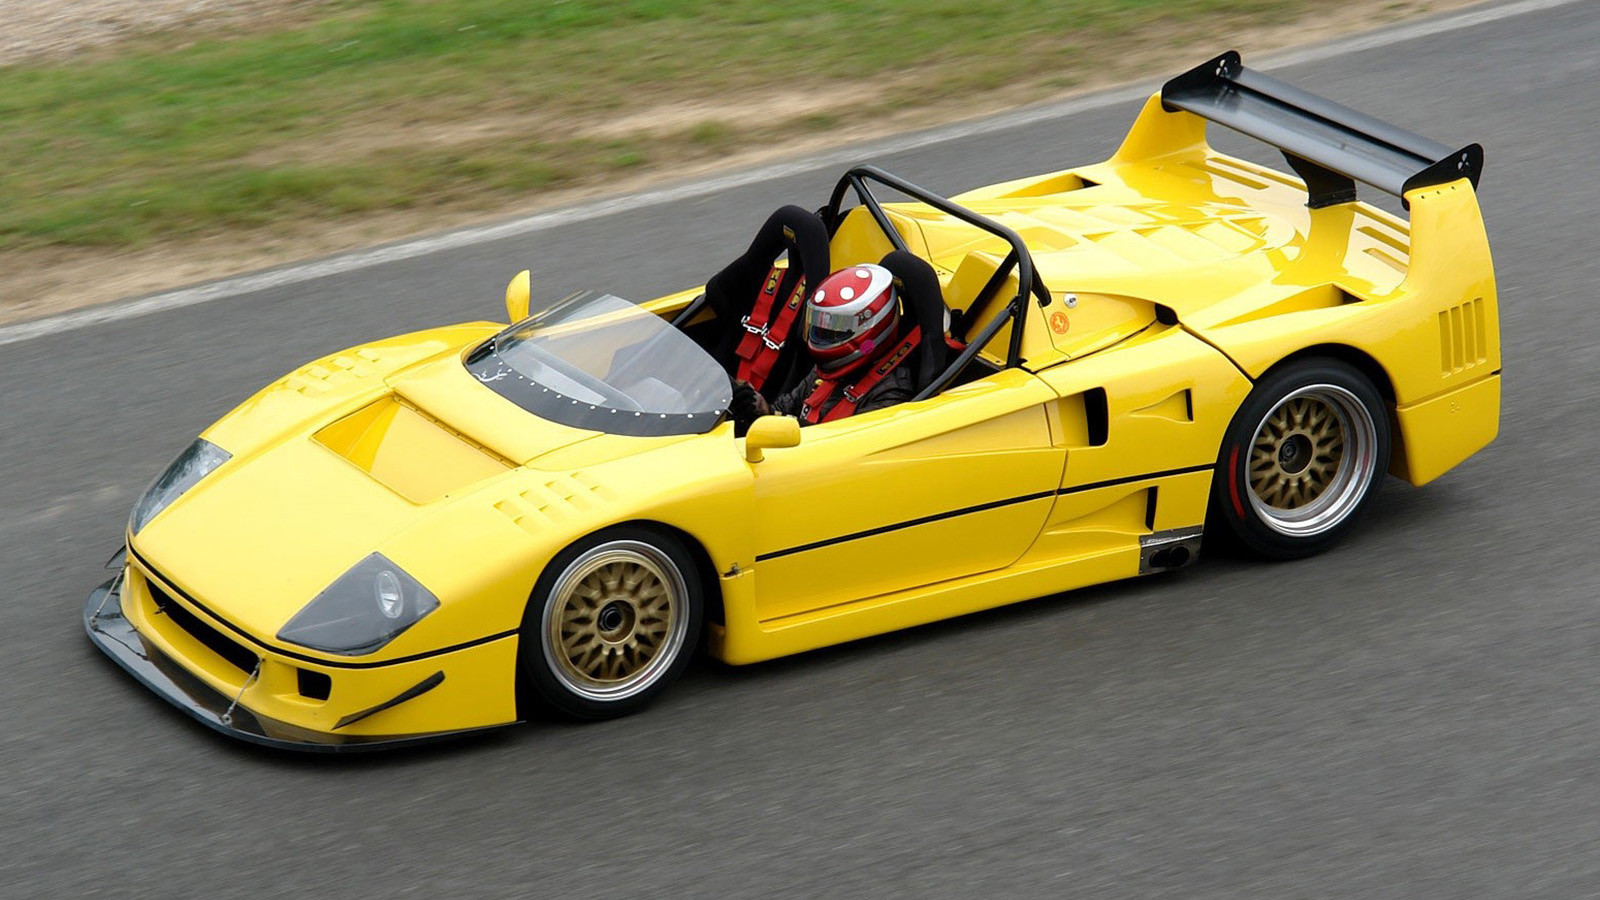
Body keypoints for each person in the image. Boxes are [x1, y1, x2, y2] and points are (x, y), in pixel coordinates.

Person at [730, 263, 922, 430]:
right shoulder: (827, 370)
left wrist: (771, 415)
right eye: (820, 325)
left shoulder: (890, 393)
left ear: (871, 329)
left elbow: (843, 443)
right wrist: (758, 407)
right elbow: (783, 407)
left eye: (835, 329)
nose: (822, 335)